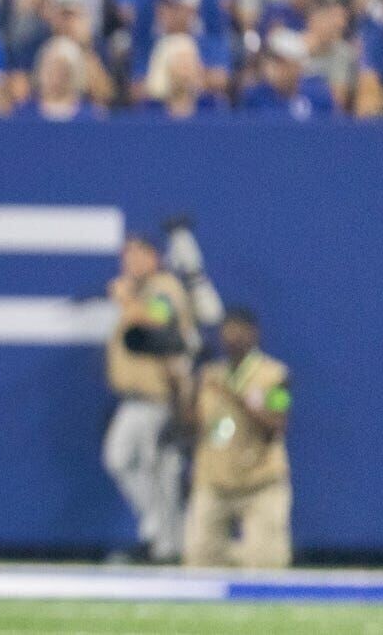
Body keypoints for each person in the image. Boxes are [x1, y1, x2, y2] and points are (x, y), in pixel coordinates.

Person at [102, 234, 195, 564]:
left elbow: (161, 322)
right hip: (136, 399)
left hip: (159, 398)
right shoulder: (141, 291)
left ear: (154, 257)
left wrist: (127, 300)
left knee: (149, 468)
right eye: (126, 256)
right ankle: (162, 537)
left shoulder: (163, 288)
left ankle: (166, 540)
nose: (130, 263)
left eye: (138, 254)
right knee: (139, 465)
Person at [184, 308, 293, 568]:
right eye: (228, 331)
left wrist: (238, 398)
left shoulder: (276, 375)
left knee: (267, 563)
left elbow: (277, 424)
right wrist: (183, 387)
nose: (233, 338)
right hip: (214, 480)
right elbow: (190, 427)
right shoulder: (209, 375)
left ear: (254, 334)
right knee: (199, 561)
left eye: (239, 331)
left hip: (260, 481)